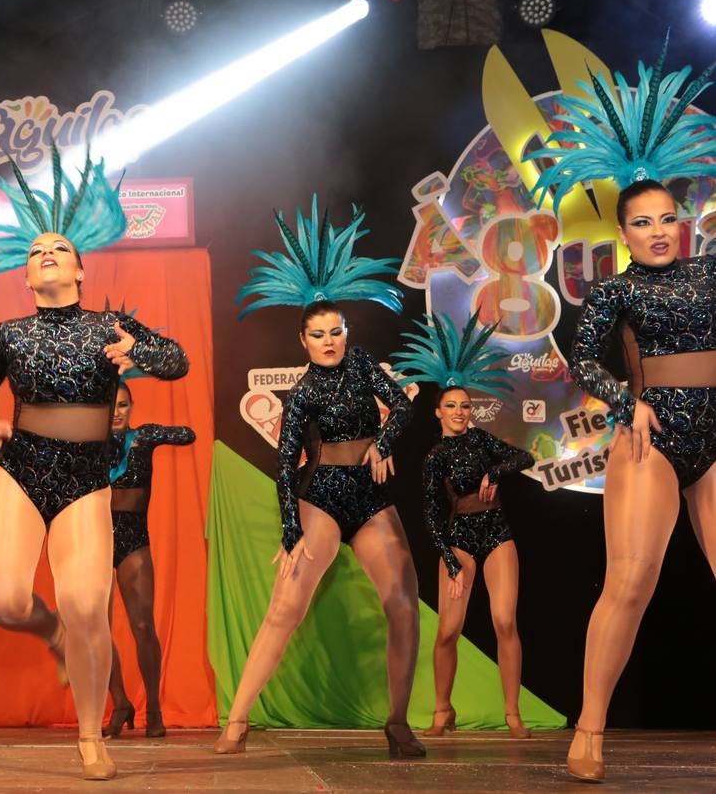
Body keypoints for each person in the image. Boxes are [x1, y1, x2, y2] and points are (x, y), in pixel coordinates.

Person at [0, 155, 189, 780]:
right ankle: (50, 633)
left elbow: (176, 361)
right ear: (27, 276)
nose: (48, 254)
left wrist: (136, 347)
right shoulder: (8, 334)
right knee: (1, 599)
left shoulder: (108, 326)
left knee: (89, 603)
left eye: (60, 248)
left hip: (86, 480)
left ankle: (91, 736)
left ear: (82, 269)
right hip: (21, 468)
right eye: (37, 252)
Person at [528, 46, 716, 783]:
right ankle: (590, 728)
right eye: (644, 224)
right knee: (631, 580)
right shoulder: (614, 291)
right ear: (625, 233)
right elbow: (584, 361)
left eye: (669, 218)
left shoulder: (711, 271)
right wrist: (626, 400)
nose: (660, 231)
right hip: (655, 439)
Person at [221, 196, 425, 759]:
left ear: (345, 331)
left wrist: (383, 443)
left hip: (372, 498)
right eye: (319, 335)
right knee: (286, 606)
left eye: (336, 331)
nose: (330, 341)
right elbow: (285, 465)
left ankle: (399, 723)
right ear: (303, 343)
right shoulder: (303, 392)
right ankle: (237, 721)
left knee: (404, 604)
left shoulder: (362, 364)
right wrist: (290, 529)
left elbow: (404, 409)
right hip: (324, 498)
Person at [392, 313, 534, 738]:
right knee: (449, 631)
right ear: (438, 412)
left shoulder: (481, 439)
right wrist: (450, 563)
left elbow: (523, 457)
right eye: (451, 406)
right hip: (457, 542)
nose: (459, 412)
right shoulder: (435, 458)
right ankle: (442, 710)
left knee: (504, 621)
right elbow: (432, 514)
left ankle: (512, 713)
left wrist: (497, 473)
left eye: (465, 405)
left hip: (496, 534)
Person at [103, 380, 195, 739]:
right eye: (110, 405)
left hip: (133, 538)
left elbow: (188, 435)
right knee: (95, 629)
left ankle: (153, 708)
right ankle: (120, 701)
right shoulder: (88, 444)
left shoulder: (141, 438)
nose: (116, 412)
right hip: (94, 537)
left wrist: (155, 433)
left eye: (123, 405)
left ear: (131, 407)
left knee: (142, 626)